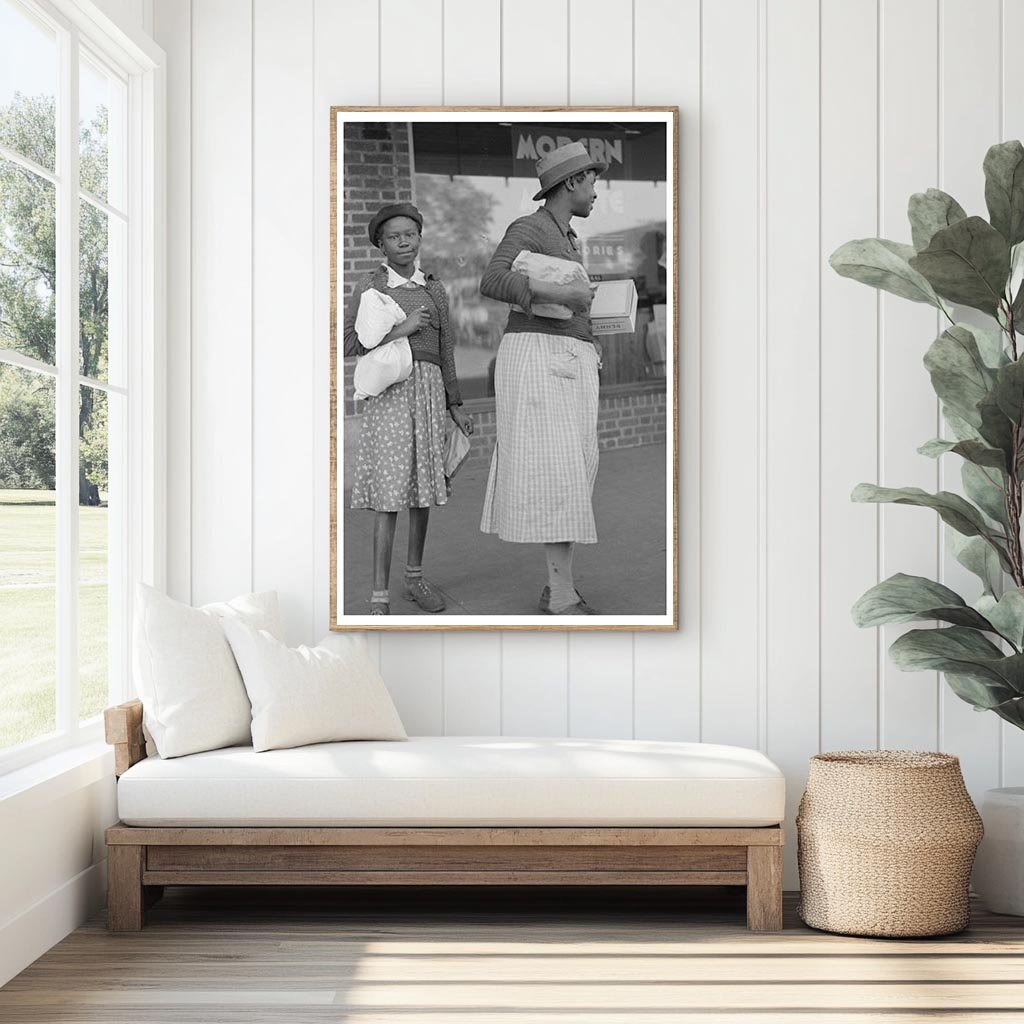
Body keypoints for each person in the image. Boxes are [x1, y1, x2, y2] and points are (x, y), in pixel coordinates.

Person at [478, 141, 607, 615]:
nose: (595, 190)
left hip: (568, 360)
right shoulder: (530, 227)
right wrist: (559, 292)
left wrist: (591, 333)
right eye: (592, 180)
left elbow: (574, 304)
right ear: (571, 181)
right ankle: (561, 593)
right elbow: (491, 279)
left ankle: (560, 586)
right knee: (558, 475)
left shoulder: (569, 236)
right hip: (537, 358)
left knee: (573, 473)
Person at [343, 202, 473, 615]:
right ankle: (379, 596)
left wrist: (455, 404)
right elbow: (349, 343)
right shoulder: (371, 287)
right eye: (394, 235)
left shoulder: (433, 289)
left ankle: (415, 579)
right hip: (391, 396)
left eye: (410, 234)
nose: (403, 241)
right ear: (381, 243)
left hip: (431, 393)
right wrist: (402, 329)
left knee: (420, 493)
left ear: (419, 238)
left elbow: (446, 349)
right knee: (389, 494)